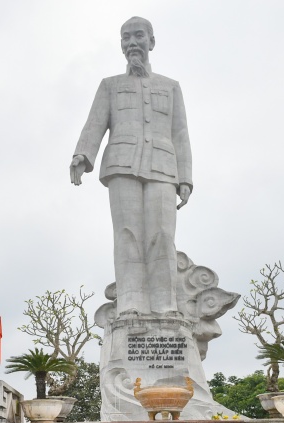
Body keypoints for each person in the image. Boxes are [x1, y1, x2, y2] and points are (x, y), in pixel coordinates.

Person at [70, 16, 193, 317]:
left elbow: (180, 133)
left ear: (151, 41)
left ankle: (165, 304)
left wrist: (186, 178)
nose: (132, 43)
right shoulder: (110, 85)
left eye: (138, 36)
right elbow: (95, 123)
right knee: (127, 233)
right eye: (126, 38)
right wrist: (82, 155)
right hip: (122, 166)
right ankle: (131, 302)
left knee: (162, 234)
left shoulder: (171, 87)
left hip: (164, 168)